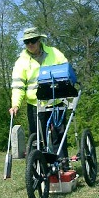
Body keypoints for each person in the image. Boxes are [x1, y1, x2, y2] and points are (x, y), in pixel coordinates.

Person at [9, 27, 69, 160]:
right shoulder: (21, 62)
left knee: (58, 136)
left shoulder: (54, 53)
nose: (30, 44)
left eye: (33, 40)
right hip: (35, 105)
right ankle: (39, 168)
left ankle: (62, 164)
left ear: (40, 40)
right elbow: (18, 86)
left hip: (56, 101)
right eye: (27, 42)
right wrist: (15, 105)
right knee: (36, 137)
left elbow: (66, 71)